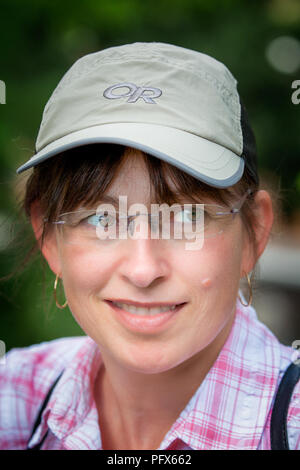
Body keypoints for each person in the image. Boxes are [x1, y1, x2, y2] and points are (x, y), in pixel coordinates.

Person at [0, 42, 299, 450]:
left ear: (254, 233)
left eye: (188, 217)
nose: (143, 270)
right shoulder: (13, 396)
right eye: (99, 219)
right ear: (48, 237)